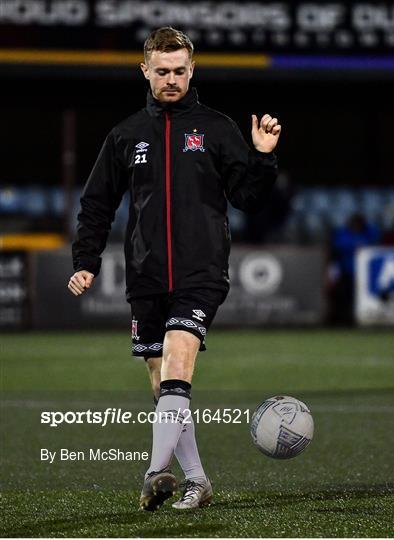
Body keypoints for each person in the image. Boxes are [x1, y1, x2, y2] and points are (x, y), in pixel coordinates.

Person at [68, 27, 281, 511]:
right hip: (145, 274)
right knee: (163, 381)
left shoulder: (217, 127)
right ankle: (198, 481)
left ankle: (153, 474)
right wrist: (86, 261)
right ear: (145, 70)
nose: (170, 79)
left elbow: (248, 199)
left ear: (192, 69)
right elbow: (96, 204)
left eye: (179, 71)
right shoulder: (125, 135)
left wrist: (263, 159)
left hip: (200, 272)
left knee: (178, 363)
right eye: (161, 71)